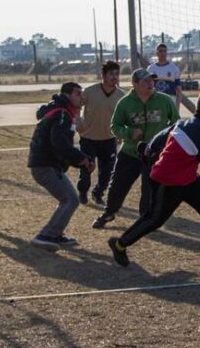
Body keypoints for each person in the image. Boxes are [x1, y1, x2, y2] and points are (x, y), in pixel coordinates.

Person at [108, 92, 200, 270]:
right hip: (167, 181)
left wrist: (147, 150)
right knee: (154, 219)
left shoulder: (187, 122)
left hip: (187, 179)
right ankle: (119, 245)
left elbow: (160, 138)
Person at [91, 68, 178, 229]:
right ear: (135, 83)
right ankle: (109, 213)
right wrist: (129, 132)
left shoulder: (164, 100)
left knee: (150, 189)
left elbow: (176, 123)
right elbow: (115, 126)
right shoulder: (125, 103)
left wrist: (166, 141)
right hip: (130, 152)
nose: (150, 83)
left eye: (151, 80)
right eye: (145, 81)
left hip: (154, 155)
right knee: (117, 185)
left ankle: (145, 218)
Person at [28, 82, 95, 251]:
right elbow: (60, 144)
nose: (82, 98)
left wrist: (80, 160)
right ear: (67, 95)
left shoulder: (62, 112)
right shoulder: (62, 114)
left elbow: (61, 146)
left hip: (48, 164)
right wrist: (82, 159)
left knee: (69, 198)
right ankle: (45, 235)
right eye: (78, 94)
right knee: (70, 199)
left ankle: (55, 234)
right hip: (44, 165)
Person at [76, 61, 125, 206]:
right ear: (103, 75)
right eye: (111, 74)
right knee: (86, 169)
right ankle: (83, 192)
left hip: (108, 139)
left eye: (116, 74)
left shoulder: (121, 96)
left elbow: (123, 118)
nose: (114, 77)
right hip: (88, 138)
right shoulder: (90, 91)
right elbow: (77, 105)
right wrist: (78, 121)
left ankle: (98, 193)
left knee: (107, 172)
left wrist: (120, 135)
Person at [148, 42, 196, 115]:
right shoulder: (150, 69)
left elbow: (179, 90)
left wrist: (177, 107)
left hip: (170, 101)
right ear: (156, 53)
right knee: (156, 125)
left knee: (171, 125)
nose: (163, 53)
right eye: (160, 51)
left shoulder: (174, 68)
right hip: (155, 102)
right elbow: (147, 88)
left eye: (165, 51)